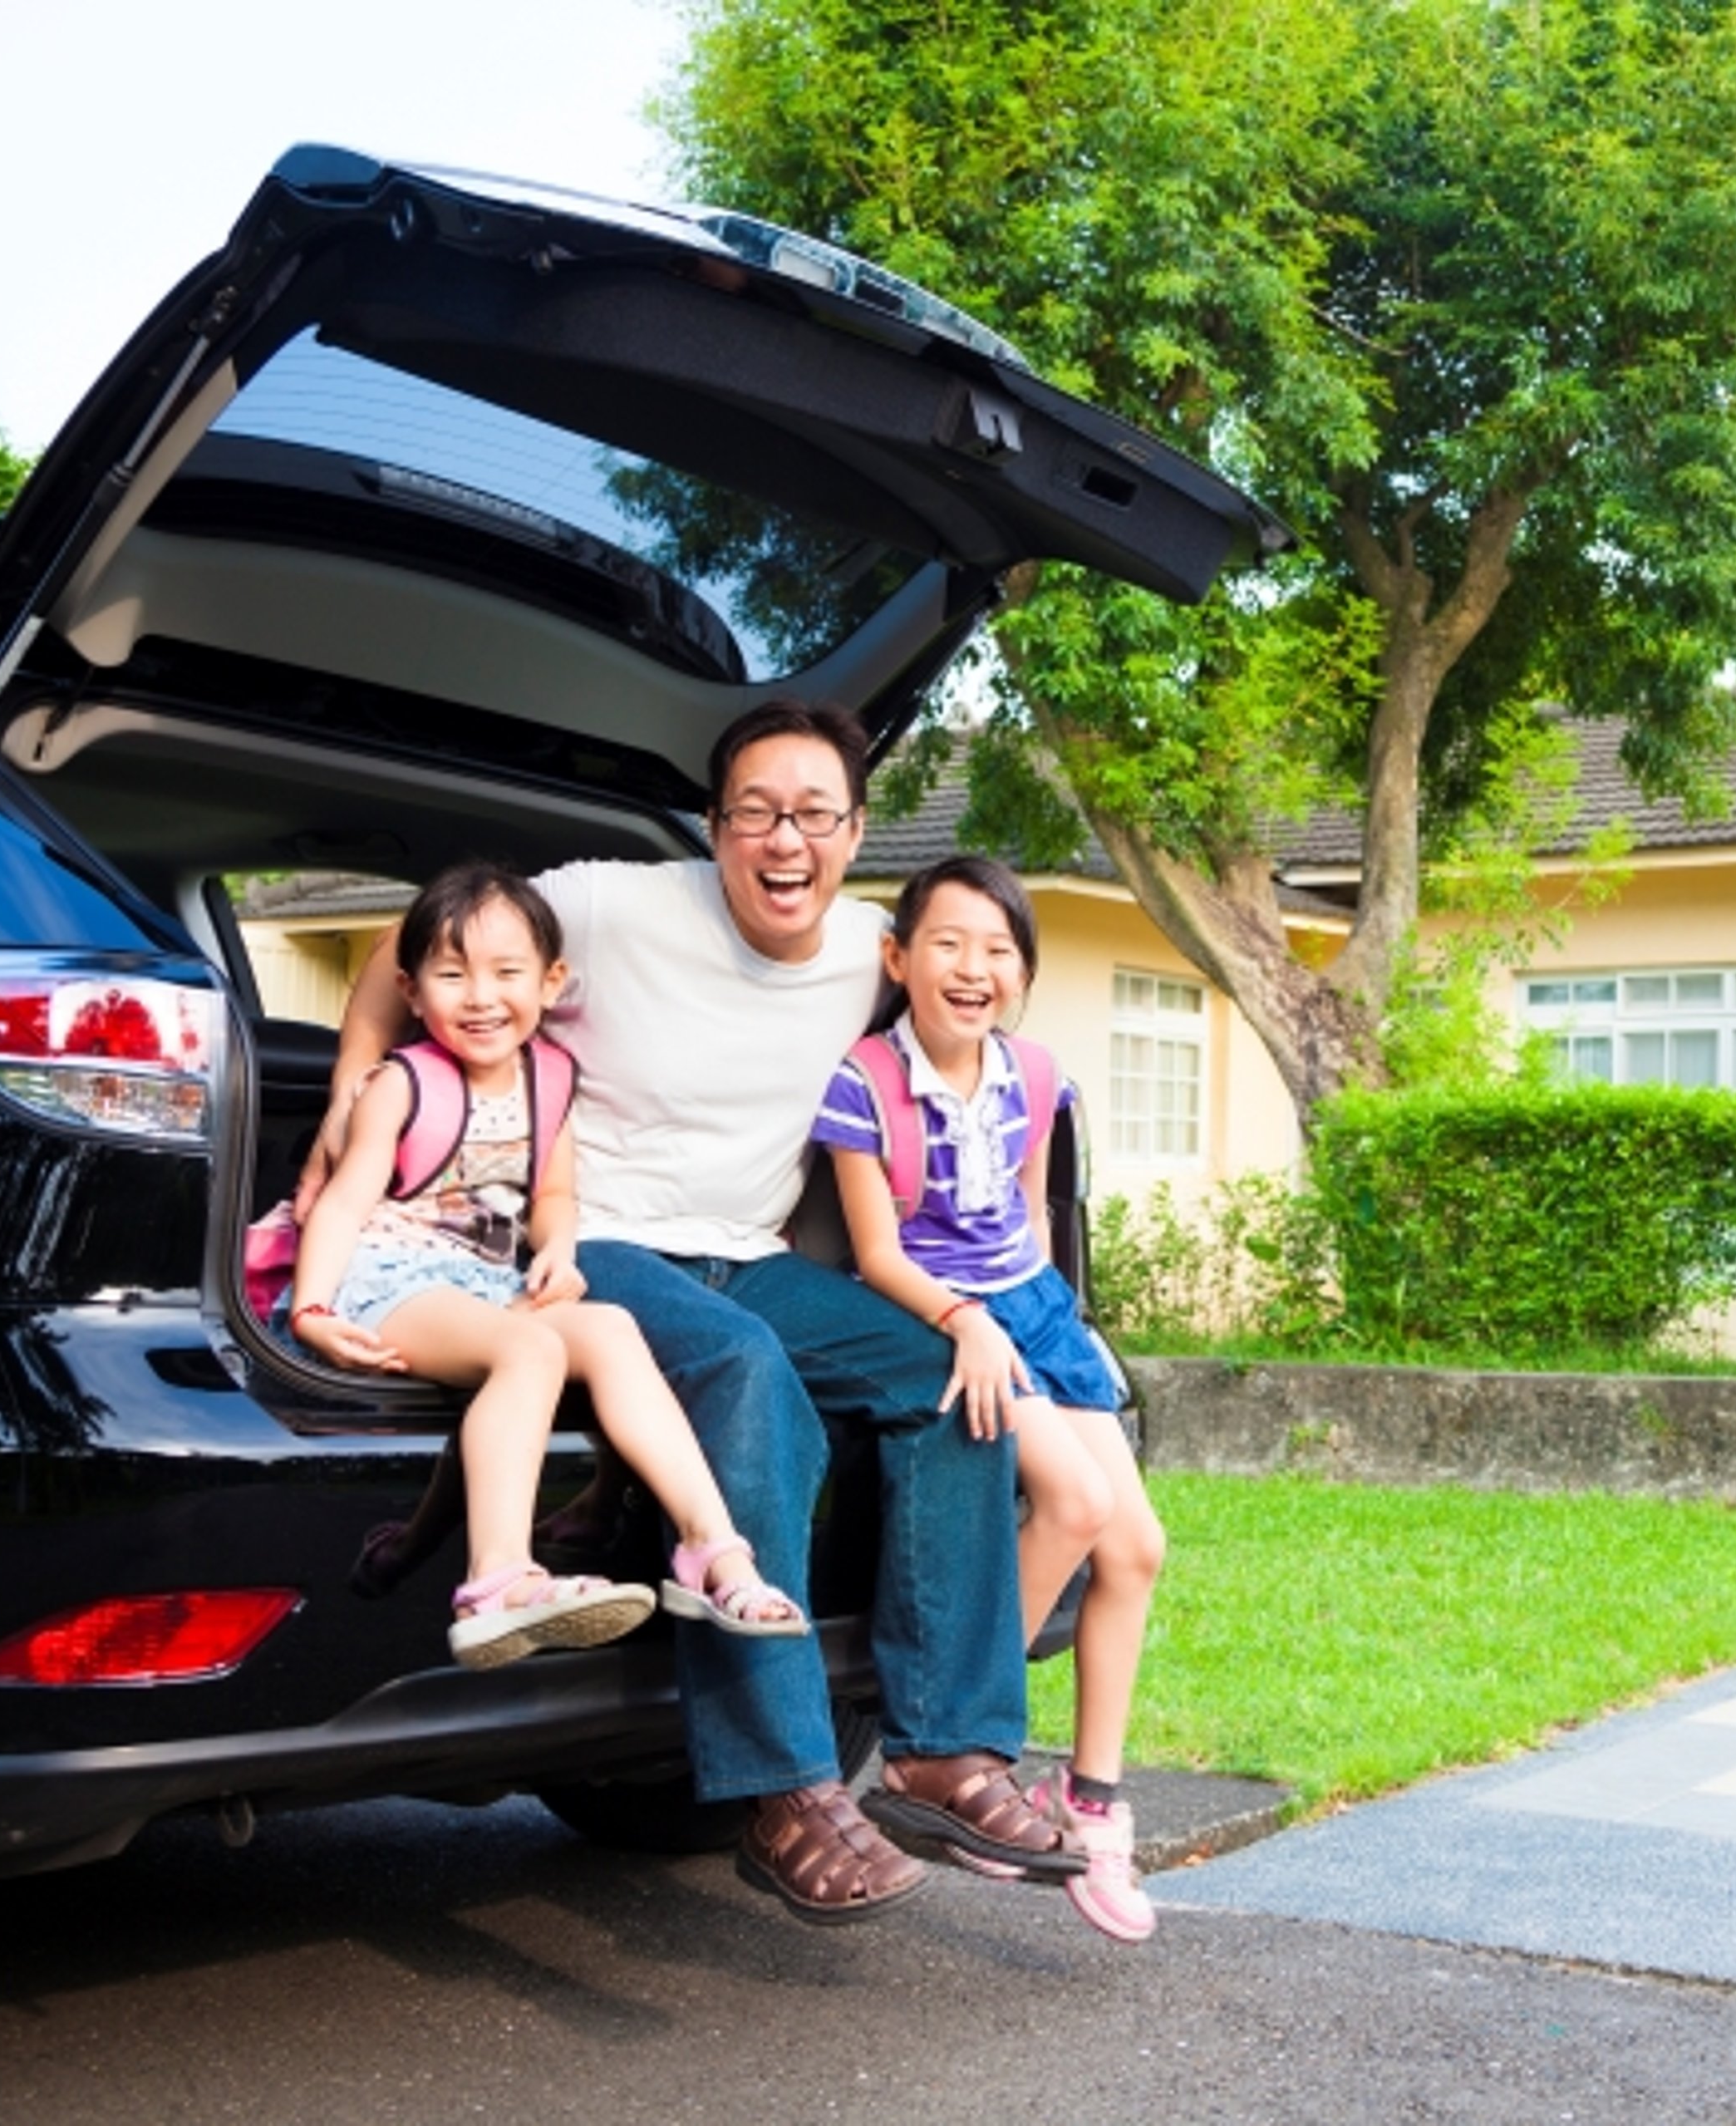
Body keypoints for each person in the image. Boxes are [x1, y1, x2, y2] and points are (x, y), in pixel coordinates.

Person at [312, 702, 1080, 1925]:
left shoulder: (879, 953)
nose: (787, 840)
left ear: (855, 831)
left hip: (750, 1250)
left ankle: (947, 1749)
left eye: (816, 815)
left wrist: (993, 1294)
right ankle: (782, 1788)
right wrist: (352, 1112)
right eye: (758, 813)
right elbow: (402, 957)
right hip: (591, 1242)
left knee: (946, 1374)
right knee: (743, 1366)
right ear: (716, 827)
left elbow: (963, 1050)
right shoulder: (609, 905)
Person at [286, 863, 806, 1669]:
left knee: (608, 1326)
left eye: (507, 972)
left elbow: (554, 1191)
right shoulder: (401, 1083)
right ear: (413, 991)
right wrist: (313, 1308)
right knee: (532, 1348)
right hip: (391, 1277)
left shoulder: (549, 1080)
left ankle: (714, 1552)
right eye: (452, 974)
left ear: (552, 981)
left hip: (488, 1278)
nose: (481, 996)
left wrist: (558, 1248)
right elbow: (345, 1202)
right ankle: (494, 1580)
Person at [814, 855, 1167, 1943]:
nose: (975, 966)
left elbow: (1029, 1213)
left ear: (1023, 971)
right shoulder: (863, 1081)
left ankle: (1091, 1799)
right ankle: (951, 1742)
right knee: (1072, 1501)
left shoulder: (1038, 1075)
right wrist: (967, 1323)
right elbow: (877, 1253)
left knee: (1138, 1546)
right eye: (950, 943)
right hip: (941, 1314)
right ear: (898, 957)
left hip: (1036, 1313)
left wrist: (1063, 1319)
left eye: (999, 948)